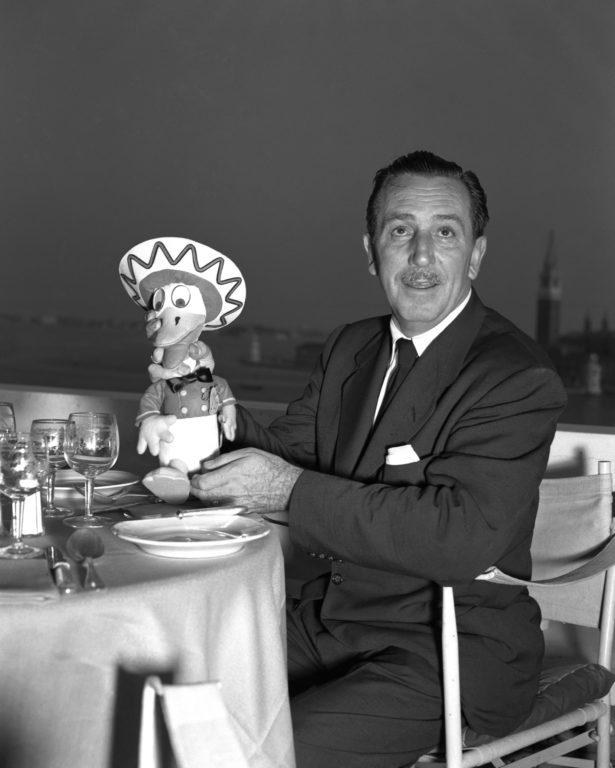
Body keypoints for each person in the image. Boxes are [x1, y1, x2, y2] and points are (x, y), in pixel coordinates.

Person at [155, 151, 567, 766]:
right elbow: (290, 454)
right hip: (326, 619)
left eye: (445, 233)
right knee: (157, 703)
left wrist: (291, 491)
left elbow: (460, 536)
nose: (422, 255)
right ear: (372, 250)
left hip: (445, 647)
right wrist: (213, 408)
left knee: (248, 755)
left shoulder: (515, 375)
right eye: (401, 230)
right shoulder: (351, 346)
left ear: (476, 254)